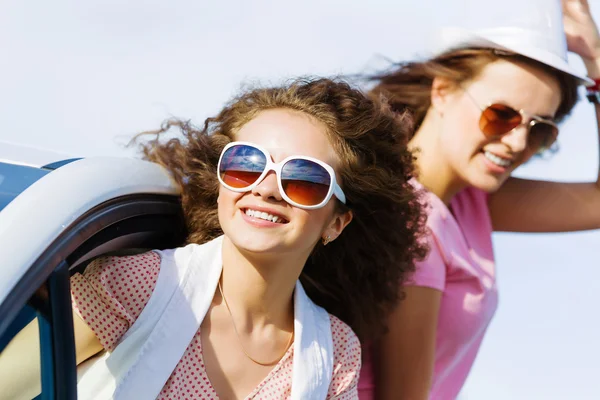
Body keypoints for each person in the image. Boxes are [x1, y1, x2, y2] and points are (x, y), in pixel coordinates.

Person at [0, 77, 426, 400]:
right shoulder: (137, 285)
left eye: (303, 178)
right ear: (221, 183)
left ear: (337, 222)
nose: (265, 188)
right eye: (246, 164)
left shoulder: (334, 352)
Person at [357, 0, 600, 399]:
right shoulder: (413, 220)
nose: (518, 142)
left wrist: (596, 63)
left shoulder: (468, 201)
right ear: (443, 91)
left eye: (539, 130)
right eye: (500, 115)